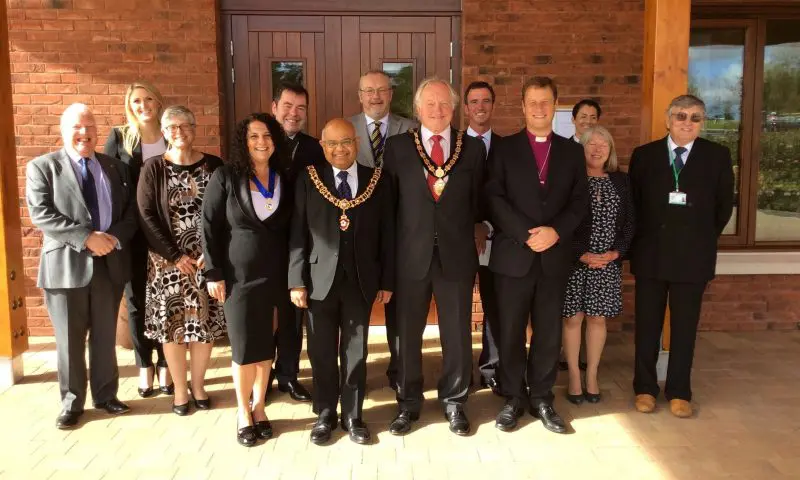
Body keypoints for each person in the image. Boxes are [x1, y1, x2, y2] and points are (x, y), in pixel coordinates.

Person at [383, 78, 488, 437]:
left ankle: (455, 401)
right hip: (411, 255)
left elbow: (478, 201)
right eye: (430, 104)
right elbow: (390, 207)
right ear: (417, 109)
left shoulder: (471, 149)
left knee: (457, 332)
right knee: (407, 333)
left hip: (456, 255)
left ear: (455, 108)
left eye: (445, 104)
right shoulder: (397, 148)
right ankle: (408, 403)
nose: (438, 111)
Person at [486, 77, 588, 434]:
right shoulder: (504, 148)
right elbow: (494, 197)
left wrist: (555, 231)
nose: (539, 108)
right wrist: (526, 234)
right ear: (523, 105)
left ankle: (542, 397)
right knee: (511, 332)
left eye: (546, 101)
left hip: (554, 258)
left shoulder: (572, 151)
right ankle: (513, 398)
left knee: (547, 332)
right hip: (515, 255)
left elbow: (580, 202)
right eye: (532, 102)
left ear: (555, 103)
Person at [26, 103, 138, 429]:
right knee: (70, 340)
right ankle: (72, 402)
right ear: (64, 131)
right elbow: (42, 214)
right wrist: (87, 237)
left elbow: (130, 213)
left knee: (104, 336)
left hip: (108, 263)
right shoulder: (43, 167)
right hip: (65, 266)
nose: (84, 133)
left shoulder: (115, 168)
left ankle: (106, 395)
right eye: (77, 127)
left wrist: (113, 238)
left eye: (90, 127)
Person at [288, 118, 395, 445]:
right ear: (322, 146)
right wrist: (296, 280)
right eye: (332, 143)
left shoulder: (377, 180)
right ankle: (324, 414)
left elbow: (387, 235)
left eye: (346, 141)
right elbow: (297, 231)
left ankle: (353, 415)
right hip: (318, 280)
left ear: (357, 143)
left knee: (355, 351)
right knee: (320, 351)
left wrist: (387, 280)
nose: (340, 149)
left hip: (361, 281)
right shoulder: (308, 179)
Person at [628, 94, 734, 418]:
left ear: (702, 123)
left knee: (685, 327)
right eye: (681, 116)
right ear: (668, 119)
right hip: (651, 256)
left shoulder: (717, 156)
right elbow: (633, 205)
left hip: (693, 257)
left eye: (695, 117)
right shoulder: (644, 156)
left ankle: (679, 390)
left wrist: (698, 238)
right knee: (647, 326)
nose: (687, 122)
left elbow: (723, 208)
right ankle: (645, 388)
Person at [202, 113, 292, 446]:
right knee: (243, 347)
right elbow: (208, 225)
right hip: (237, 278)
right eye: (254, 136)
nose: (261, 142)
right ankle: (242, 411)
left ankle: (260, 407)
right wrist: (213, 271)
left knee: (265, 345)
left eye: (267, 136)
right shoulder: (226, 176)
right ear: (244, 140)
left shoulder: (285, 176)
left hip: (275, 274)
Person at [137, 105, 226, 415]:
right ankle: (179, 391)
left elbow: (224, 211)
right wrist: (175, 256)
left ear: (194, 127)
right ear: (163, 132)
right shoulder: (153, 168)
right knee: (173, 329)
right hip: (168, 266)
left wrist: (210, 253)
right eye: (172, 127)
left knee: (204, 327)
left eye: (185, 125)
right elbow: (146, 216)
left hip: (205, 263)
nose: (179, 131)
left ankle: (199, 385)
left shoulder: (214, 165)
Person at [349, 70, 417, 391]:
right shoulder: (345, 129)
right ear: (359, 96)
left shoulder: (413, 129)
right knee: (355, 310)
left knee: (399, 307)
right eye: (368, 91)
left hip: (400, 232)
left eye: (381, 90)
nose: (375, 97)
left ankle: (400, 371)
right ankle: (354, 375)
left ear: (391, 94)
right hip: (356, 234)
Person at [104, 81, 172, 397]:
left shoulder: (170, 133)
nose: (142, 105)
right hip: (133, 233)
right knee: (137, 302)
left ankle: (166, 365)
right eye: (136, 101)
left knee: (167, 299)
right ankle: (144, 364)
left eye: (148, 99)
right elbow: (109, 184)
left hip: (168, 231)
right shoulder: (120, 137)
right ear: (129, 106)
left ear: (158, 103)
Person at [561, 126, 634, 405]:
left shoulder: (621, 181)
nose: (597, 148)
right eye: (591, 143)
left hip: (607, 263)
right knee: (573, 318)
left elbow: (630, 222)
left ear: (610, 150)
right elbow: (562, 221)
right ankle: (574, 378)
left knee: (597, 318)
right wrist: (580, 253)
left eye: (603, 144)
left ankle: (591, 375)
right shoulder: (571, 179)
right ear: (582, 148)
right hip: (575, 262)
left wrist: (617, 253)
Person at [269, 83, 324, 402]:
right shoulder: (258, 141)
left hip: (299, 243)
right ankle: (260, 374)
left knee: (292, 316)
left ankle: (287, 375)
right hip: (263, 243)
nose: (294, 113)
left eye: (301, 108)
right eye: (288, 106)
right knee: (264, 315)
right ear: (274, 106)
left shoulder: (315, 149)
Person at [463, 80, 503, 396]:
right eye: (474, 101)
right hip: (460, 240)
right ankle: (462, 370)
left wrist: (487, 224)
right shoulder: (453, 146)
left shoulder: (507, 147)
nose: (480, 107)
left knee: (495, 304)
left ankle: (491, 367)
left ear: (493, 105)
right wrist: (472, 224)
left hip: (497, 238)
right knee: (459, 306)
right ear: (466, 108)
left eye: (485, 101)